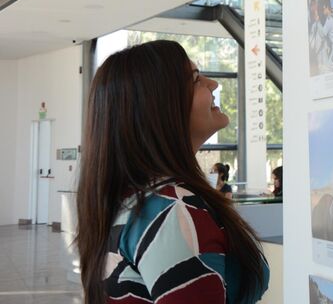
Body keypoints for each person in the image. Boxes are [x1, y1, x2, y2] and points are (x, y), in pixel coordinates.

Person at [76, 40, 269, 304]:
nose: (213, 84)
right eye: (195, 79)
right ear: (158, 108)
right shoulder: (172, 211)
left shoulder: (135, 200)